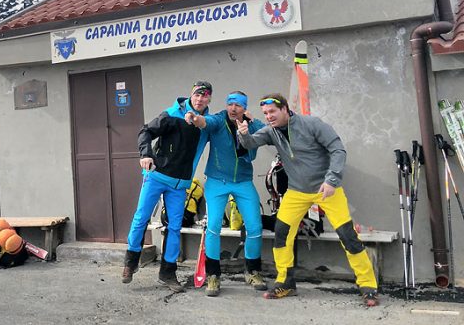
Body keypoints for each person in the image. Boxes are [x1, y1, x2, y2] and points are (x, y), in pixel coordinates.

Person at [237, 93, 379, 307]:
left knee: (348, 236)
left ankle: (368, 285)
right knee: (282, 233)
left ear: (285, 108)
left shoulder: (311, 124)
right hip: (296, 191)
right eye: (265, 113)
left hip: (326, 189)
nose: (268, 117)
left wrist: (332, 180)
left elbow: (337, 149)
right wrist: (244, 135)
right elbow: (250, 144)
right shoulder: (271, 131)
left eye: (272, 112)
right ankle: (285, 281)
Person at [122, 81, 212, 293]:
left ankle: (168, 273)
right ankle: (130, 262)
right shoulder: (172, 114)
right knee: (141, 217)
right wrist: (145, 155)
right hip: (156, 176)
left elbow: (223, 128)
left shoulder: (206, 124)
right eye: (197, 95)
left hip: (179, 185)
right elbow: (145, 132)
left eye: (205, 96)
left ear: (209, 99)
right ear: (191, 96)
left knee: (174, 227)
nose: (200, 99)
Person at [188, 91, 267, 296]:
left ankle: (252, 271)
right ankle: (213, 276)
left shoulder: (250, 123)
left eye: (238, 105)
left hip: (242, 182)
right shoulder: (218, 120)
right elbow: (206, 122)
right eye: (230, 104)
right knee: (213, 226)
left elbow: (266, 133)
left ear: (244, 107)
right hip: (217, 181)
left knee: (255, 226)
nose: (233, 108)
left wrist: (250, 122)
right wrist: (196, 119)